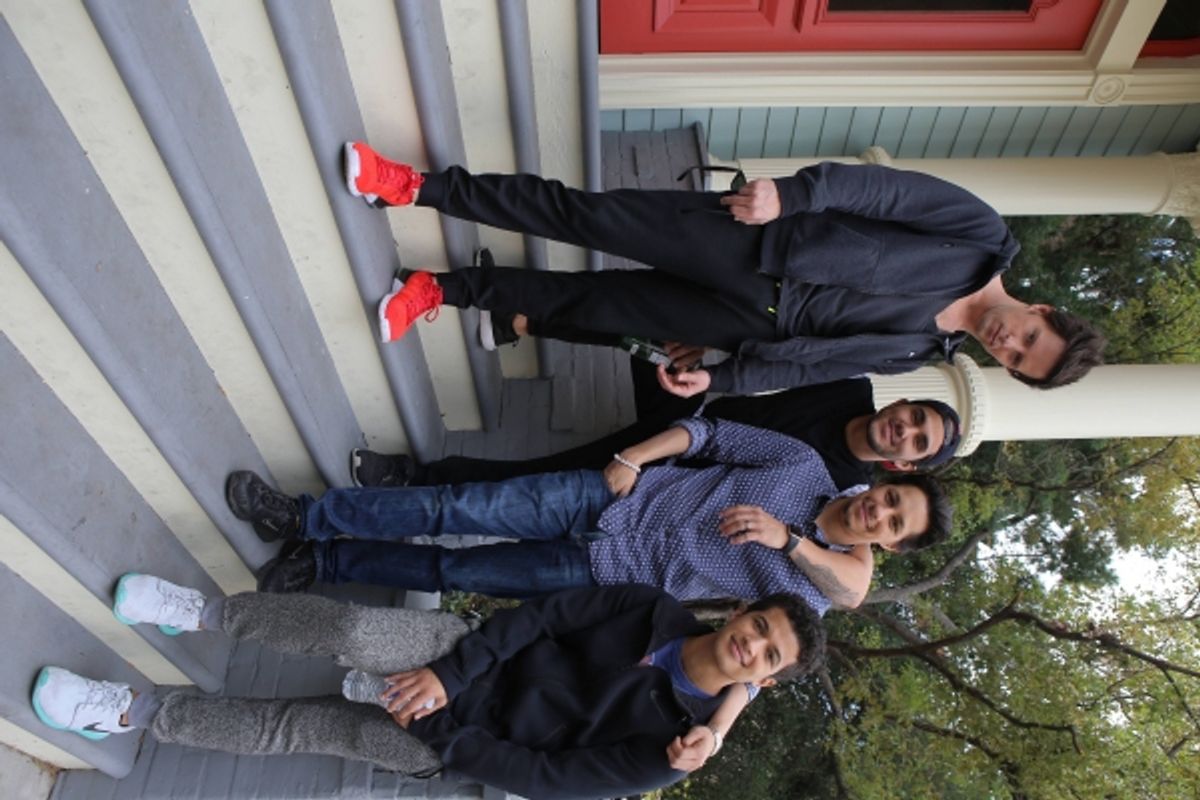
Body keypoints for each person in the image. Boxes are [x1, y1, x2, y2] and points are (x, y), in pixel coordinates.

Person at [343, 141, 1106, 396]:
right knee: (586, 217)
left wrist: (727, 379)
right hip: (754, 242)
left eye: (1015, 362)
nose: (1008, 345)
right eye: (1027, 339)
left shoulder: (922, 353)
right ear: (1041, 311)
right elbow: (883, 188)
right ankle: (417, 187)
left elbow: (813, 371)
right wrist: (794, 194)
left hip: (743, 326)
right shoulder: (979, 236)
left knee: (591, 305)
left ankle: (441, 288)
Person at [33, 577, 822, 800]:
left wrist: (434, 725)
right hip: (468, 656)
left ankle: (131, 713)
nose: (752, 645)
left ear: (770, 677)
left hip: (456, 744)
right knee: (349, 632)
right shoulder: (653, 608)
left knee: (294, 730)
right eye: (760, 627)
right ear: (746, 610)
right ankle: (203, 612)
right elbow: (544, 617)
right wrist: (446, 674)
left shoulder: (666, 750)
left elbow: (544, 779)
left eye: (768, 656)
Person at [228, 416, 953, 611]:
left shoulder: (814, 588)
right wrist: (636, 458)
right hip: (612, 496)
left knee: (454, 569)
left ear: (888, 543)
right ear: (881, 484)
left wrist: (791, 541)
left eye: (895, 523)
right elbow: (709, 433)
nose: (881, 513)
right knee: (456, 503)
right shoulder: (804, 466)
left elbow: (848, 595)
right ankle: (304, 517)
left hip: (602, 567)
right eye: (891, 500)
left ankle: (325, 562)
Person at [351, 367, 961, 493]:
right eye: (912, 418)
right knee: (649, 326)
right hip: (692, 415)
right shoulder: (850, 385)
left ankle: (412, 478)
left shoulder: (843, 482)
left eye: (915, 442)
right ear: (901, 401)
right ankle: (520, 309)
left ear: (902, 465)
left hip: (667, 479)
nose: (902, 430)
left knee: (536, 479)